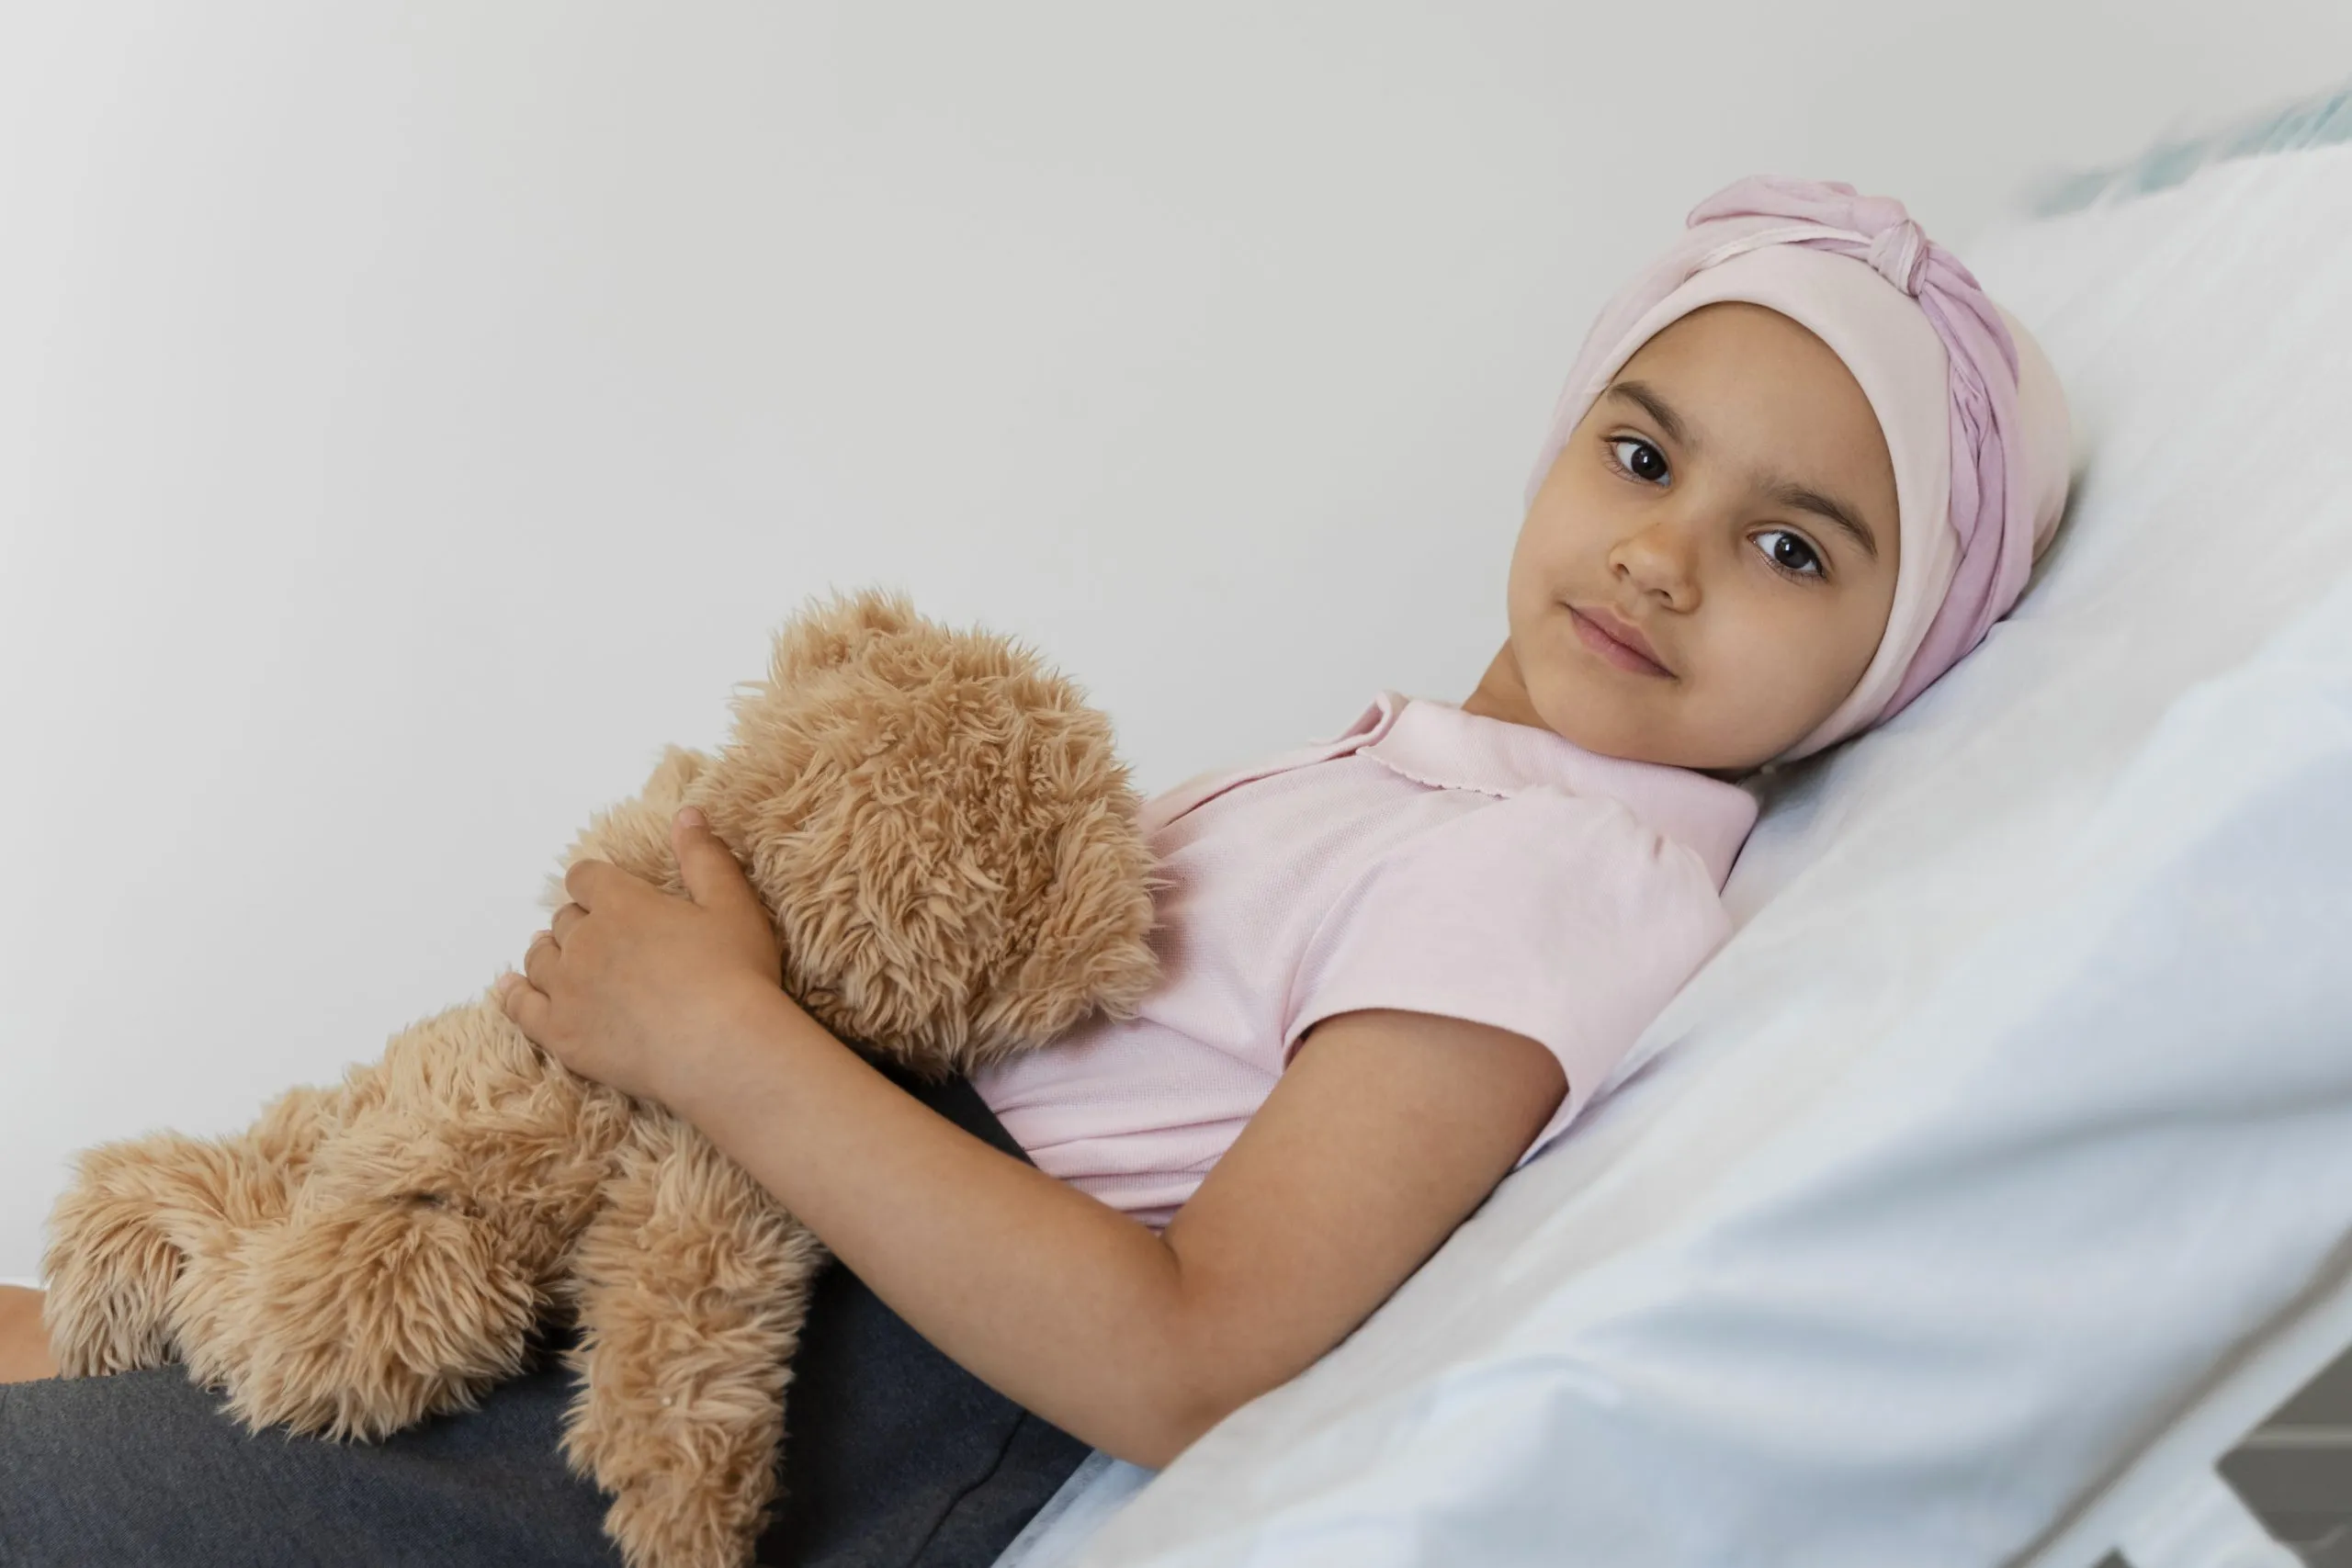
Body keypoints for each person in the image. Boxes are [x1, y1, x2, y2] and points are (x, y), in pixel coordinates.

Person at [0, 174, 2072, 1566]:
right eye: (1639, 452)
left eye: (1789, 547)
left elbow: (1190, 1353)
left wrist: (721, 1038)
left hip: (841, 1368)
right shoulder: (1438, 785)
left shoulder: (1565, 873)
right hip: (741, 1214)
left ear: (1890, 658)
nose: (1662, 554)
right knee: (84, 1339)